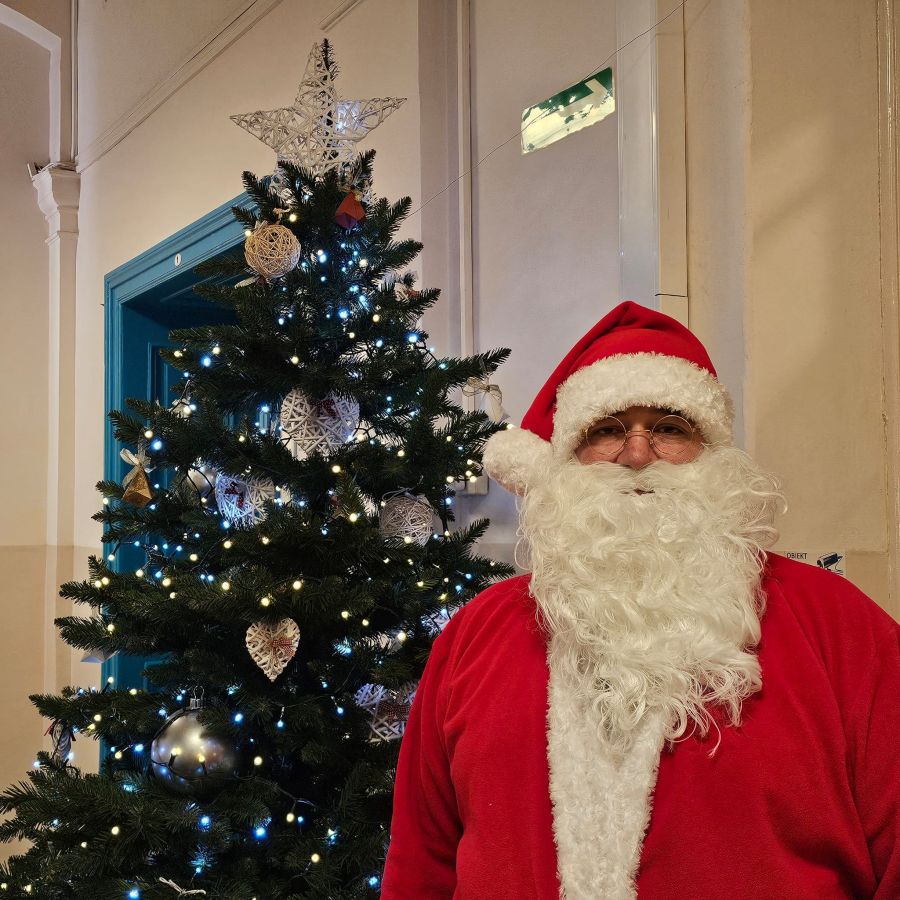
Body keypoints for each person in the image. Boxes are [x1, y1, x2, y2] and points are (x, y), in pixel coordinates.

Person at [380, 301, 900, 899]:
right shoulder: (475, 635)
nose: (636, 454)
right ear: (566, 459)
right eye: (606, 429)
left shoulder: (840, 627)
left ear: (712, 454)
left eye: (670, 428)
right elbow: (421, 866)